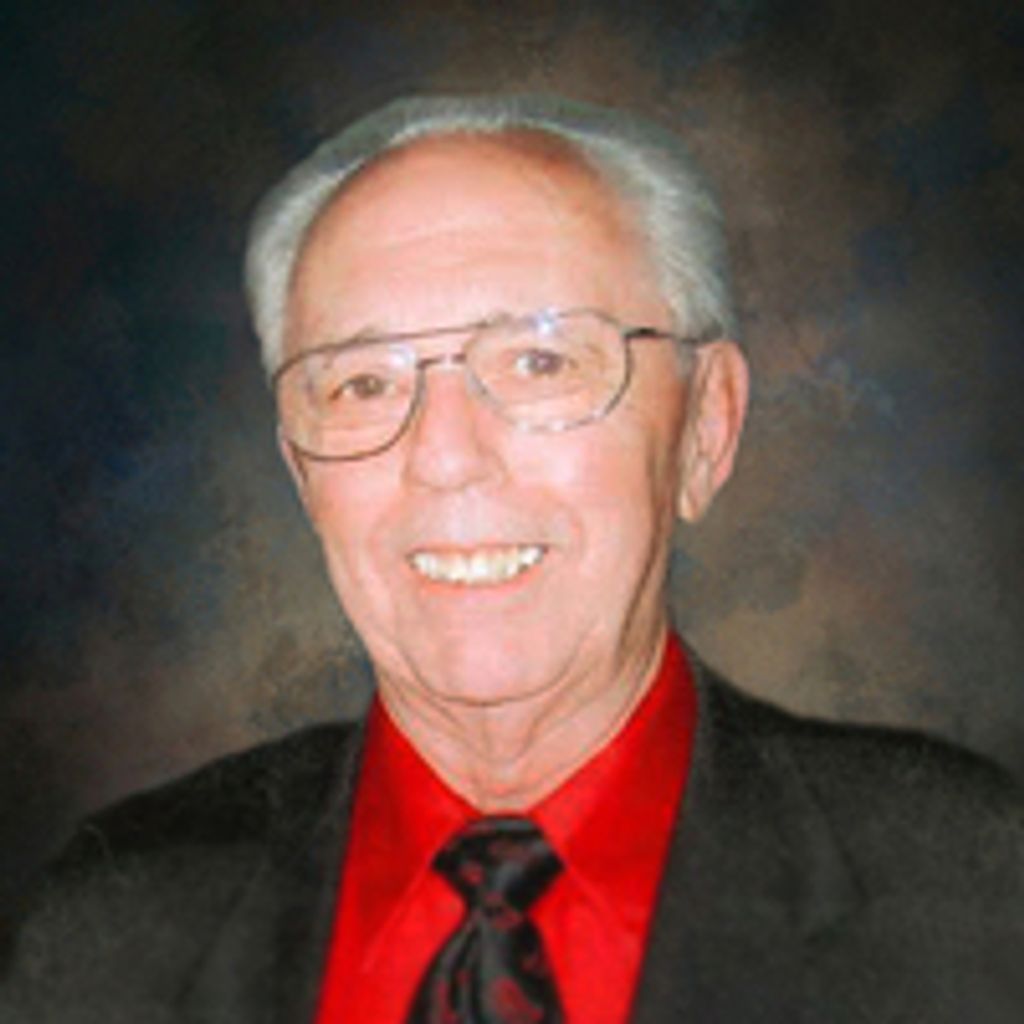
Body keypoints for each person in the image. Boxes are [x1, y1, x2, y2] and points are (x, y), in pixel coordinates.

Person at [2, 94, 1021, 1023]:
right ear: (301, 469)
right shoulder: (107, 930)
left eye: (540, 361)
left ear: (705, 429)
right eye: (362, 384)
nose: (444, 457)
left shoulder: (979, 895)